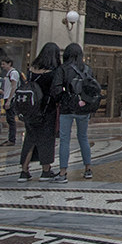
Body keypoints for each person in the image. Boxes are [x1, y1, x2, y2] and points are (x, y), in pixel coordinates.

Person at [50, 43, 94, 183]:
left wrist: (62, 98)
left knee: (65, 140)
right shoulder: (88, 69)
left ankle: (63, 173)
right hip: (83, 108)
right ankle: (87, 169)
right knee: (83, 137)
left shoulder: (62, 69)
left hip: (67, 108)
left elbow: (56, 89)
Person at [18, 43, 61, 182]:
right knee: (46, 140)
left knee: (30, 140)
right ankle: (46, 170)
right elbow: (55, 91)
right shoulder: (53, 72)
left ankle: (24, 171)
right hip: (47, 110)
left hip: (31, 109)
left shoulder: (31, 70)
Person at [0, 57, 20, 146]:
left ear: (9, 64)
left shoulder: (13, 73)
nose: (2, 66)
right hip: (7, 96)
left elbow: (13, 86)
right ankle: (10, 138)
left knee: (11, 119)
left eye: (4, 64)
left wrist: (9, 100)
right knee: (9, 119)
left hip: (10, 97)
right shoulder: (9, 73)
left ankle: (12, 139)